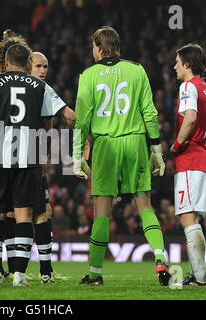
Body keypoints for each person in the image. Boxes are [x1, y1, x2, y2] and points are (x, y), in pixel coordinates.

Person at [72, 26, 170, 286]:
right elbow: (149, 112)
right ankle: (160, 258)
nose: (92, 51)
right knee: (144, 203)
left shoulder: (88, 75)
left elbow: (81, 119)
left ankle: (95, 273)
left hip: (105, 144)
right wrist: (156, 148)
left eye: (93, 46)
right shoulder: (137, 70)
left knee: (102, 210)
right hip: (136, 140)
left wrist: (76, 154)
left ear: (100, 48)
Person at [0, 44, 67, 287]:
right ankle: (19, 276)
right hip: (29, 155)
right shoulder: (41, 86)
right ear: (28, 64)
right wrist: (44, 155)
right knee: (25, 213)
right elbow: (47, 125)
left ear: (5, 62)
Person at [171, 43, 206, 286]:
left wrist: (178, 145)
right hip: (203, 159)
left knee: (187, 218)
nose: (174, 67)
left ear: (187, 64)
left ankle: (200, 278)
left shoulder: (187, 87)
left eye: (177, 62)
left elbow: (190, 118)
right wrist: (203, 141)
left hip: (190, 159)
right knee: (192, 218)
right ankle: (198, 276)